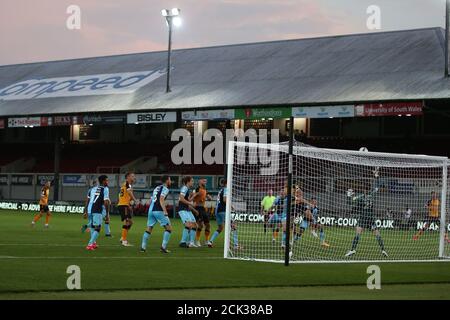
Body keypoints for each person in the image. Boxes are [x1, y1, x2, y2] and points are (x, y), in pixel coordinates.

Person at [345, 168, 388, 258]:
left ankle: (353, 249)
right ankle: (383, 250)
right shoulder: (372, 195)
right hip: (371, 218)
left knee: (357, 233)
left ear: (364, 190)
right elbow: (377, 187)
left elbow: (349, 203)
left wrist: (349, 195)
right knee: (377, 234)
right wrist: (376, 176)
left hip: (363, 218)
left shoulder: (361, 197)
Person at [140, 175, 172, 253]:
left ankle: (143, 248)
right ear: (167, 181)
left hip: (151, 209)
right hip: (158, 210)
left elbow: (152, 199)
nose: (170, 181)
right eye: (170, 180)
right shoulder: (165, 188)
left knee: (149, 228)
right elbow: (161, 199)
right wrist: (165, 211)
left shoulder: (157, 187)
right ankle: (163, 247)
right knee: (169, 228)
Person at [86, 175, 110, 251]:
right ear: (103, 181)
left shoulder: (96, 188)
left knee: (93, 227)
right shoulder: (105, 189)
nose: (107, 182)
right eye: (106, 180)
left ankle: (93, 243)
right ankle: (90, 244)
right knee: (98, 228)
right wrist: (107, 213)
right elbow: (106, 202)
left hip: (92, 208)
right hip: (98, 210)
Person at [178, 176, 199, 248]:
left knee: (195, 225)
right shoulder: (184, 188)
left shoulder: (187, 189)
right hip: (183, 209)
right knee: (188, 225)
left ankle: (191, 242)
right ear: (188, 181)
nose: (193, 182)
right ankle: (183, 242)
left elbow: (188, 200)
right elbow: (181, 199)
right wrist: (191, 204)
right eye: (192, 181)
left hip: (187, 210)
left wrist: (194, 196)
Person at [117, 172, 137, 246]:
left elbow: (124, 195)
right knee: (127, 222)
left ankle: (123, 237)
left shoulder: (126, 185)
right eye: (132, 176)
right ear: (128, 177)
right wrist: (135, 200)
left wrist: (130, 204)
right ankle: (124, 241)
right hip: (123, 205)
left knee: (130, 222)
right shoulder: (127, 184)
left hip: (125, 205)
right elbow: (129, 193)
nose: (134, 177)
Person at [207, 178, 228, 247]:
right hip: (223, 210)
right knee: (233, 226)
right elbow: (225, 200)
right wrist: (230, 205)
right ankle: (236, 245)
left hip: (217, 211)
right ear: (226, 183)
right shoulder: (226, 189)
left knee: (220, 228)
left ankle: (210, 241)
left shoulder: (220, 190)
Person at [193, 178, 212, 246]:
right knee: (200, 225)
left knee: (208, 225)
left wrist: (209, 198)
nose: (205, 182)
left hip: (203, 208)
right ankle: (197, 241)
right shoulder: (197, 189)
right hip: (197, 208)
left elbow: (209, 197)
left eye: (206, 181)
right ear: (199, 181)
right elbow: (193, 196)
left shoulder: (205, 189)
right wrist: (196, 197)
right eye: (204, 181)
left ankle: (207, 240)